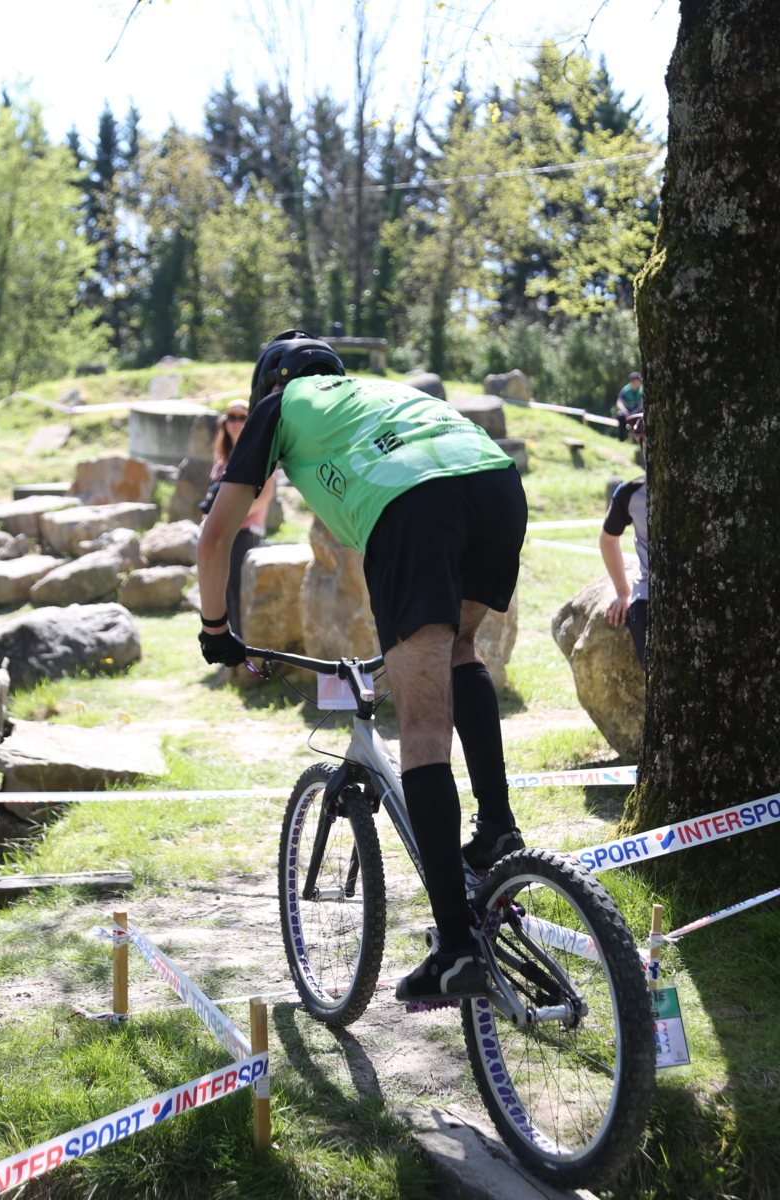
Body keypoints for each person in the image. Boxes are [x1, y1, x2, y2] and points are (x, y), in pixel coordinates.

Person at [197, 329, 528, 1003]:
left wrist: (216, 630)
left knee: (422, 730)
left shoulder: (281, 404)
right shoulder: (379, 393)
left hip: (416, 506)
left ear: (269, 387)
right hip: (496, 487)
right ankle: (497, 826)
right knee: (459, 647)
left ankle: (455, 949)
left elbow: (217, 533)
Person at [202, 398, 275, 640]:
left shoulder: (257, 451)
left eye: (242, 418)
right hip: (224, 531)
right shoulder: (222, 458)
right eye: (231, 418)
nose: (236, 423)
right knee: (222, 589)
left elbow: (265, 496)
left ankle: (242, 645)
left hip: (245, 531)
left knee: (236, 588)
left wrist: (227, 517)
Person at [600, 408, 647, 668]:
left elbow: (608, 540)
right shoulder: (630, 492)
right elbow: (608, 539)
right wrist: (622, 591)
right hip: (647, 602)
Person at [615, 371, 644, 442]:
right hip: (627, 412)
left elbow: (642, 404)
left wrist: (634, 412)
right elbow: (619, 403)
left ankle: (637, 440)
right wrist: (625, 412)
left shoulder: (642, 390)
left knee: (640, 420)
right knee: (620, 416)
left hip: (637, 412)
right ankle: (621, 438)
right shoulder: (625, 390)